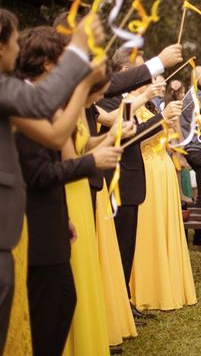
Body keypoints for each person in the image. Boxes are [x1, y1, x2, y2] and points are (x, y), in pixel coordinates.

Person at [11, 26, 125, 356]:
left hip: (51, 222)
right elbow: (40, 173)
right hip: (32, 229)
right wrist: (92, 162)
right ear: (48, 64)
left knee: (63, 301)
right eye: (63, 59)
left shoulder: (37, 101)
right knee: (50, 312)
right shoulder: (23, 103)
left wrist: (62, 220)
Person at [0, 9, 96, 353]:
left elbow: (55, 137)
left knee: (61, 306)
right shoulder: (17, 96)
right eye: (12, 39)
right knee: (41, 320)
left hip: (38, 225)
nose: (16, 47)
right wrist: (82, 70)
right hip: (25, 230)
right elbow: (52, 140)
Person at [97, 49, 183, 320]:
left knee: (128, 247)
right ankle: (119, 306)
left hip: (134, 178)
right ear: (122, 72)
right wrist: (160, 117)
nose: (141, 76)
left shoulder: (132, 101)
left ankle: (126, 303)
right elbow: (125, 136)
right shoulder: (110, 100)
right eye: (137, 69)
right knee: (120, 246)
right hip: (117, 180)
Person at [128, 84, 197, 311]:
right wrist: (161, 117)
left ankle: (169, 284)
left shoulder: (149, 106)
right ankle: (149, 289)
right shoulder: (128, 104)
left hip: (163, 167)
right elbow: (135, 139)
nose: (152, 84)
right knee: (149, 229)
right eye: (146, 80)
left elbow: (170, 140)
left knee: (165, 227)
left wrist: (171, 119)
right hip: (147, 169)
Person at [180, 66, 201, 246]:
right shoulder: (194, 96)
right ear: (194, 78)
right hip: (196, 148)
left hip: (198, 147)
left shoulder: (200, 95)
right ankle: (199, 238)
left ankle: (200, 236)